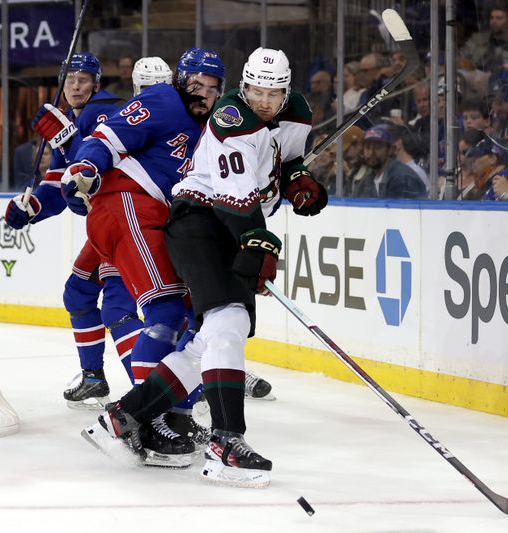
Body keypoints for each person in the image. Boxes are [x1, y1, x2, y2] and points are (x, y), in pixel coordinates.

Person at [80, 47, 326, 487]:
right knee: (228, 320)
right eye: (254, 90)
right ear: (243, 86)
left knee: (209, 340)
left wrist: (297, 179)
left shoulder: (297, 114)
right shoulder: (232, 120)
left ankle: (123, 417)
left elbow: (284, 162)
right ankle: (226, 444)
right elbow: (236, 201)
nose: (263, 101)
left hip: (227, 222)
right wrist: (257, 241)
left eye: (273, 94)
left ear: (286, 92)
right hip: (201, 220)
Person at [3, 53, 136, 411]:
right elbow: (58, 187)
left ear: (97, 83)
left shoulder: (108, 110)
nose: (75, 86)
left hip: (127, 222)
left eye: (83, 79)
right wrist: (29, 209)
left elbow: (97, 169)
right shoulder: (70, 120)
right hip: (104, 228)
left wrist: (64, 138)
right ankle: (93, 377)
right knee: (78, 294)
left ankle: (156, 391)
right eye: (69, 79)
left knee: (120, 310)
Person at [350, 124, 427, 199]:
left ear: (390, 149)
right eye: (367, 147)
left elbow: (403, 211)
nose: (371, 153)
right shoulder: (368, 179)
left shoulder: (403, 178)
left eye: (378, 147)